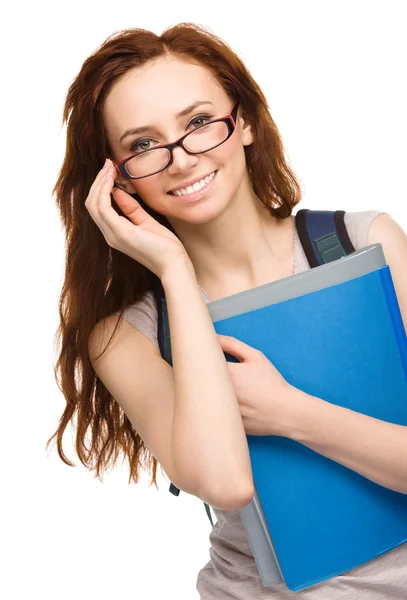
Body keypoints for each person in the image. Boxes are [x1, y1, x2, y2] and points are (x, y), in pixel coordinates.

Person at [47, 23, 407, 599]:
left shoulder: (365, 243)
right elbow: (225, 481)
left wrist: (288, 412)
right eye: (142, 144)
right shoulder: (126, 335)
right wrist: (175, 271)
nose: (180, 158)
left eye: (197, 123)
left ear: (244, 124)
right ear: (115, 178)